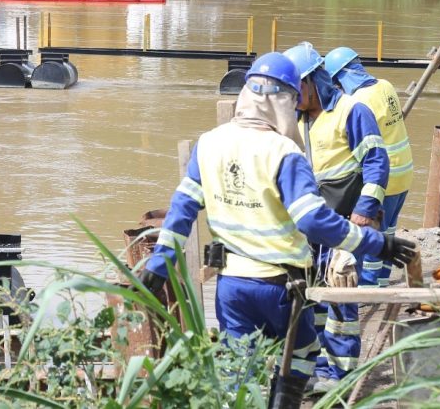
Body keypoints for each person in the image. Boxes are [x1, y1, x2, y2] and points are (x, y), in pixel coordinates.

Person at [139, 52, 415, 408]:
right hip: (280, 286)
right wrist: (378, 245)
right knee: (300, 357)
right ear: (284, 100)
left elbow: (181, 212)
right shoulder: (283, 152)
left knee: (239, 368)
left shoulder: (208, 143)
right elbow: (312, 220)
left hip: (231, 286)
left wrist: (158, 267)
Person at [283, 42, 389, 391]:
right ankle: (318, 366)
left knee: (341, 293)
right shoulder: (296, 120)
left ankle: (341, 375)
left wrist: (363, 212)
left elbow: (376, 163)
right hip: (313, 224)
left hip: (346, 223)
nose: (291, 96)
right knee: (312, 297)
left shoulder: (351, 111)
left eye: (295, 88)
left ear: (314, 81)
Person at [324, 46, 413, 288]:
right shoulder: (385, 85)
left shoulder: (358, 101)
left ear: (342, 76)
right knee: (388, 231)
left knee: (372, 235)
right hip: (404, 173)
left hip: (385, 178)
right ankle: (382, 280)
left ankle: (369, 286)